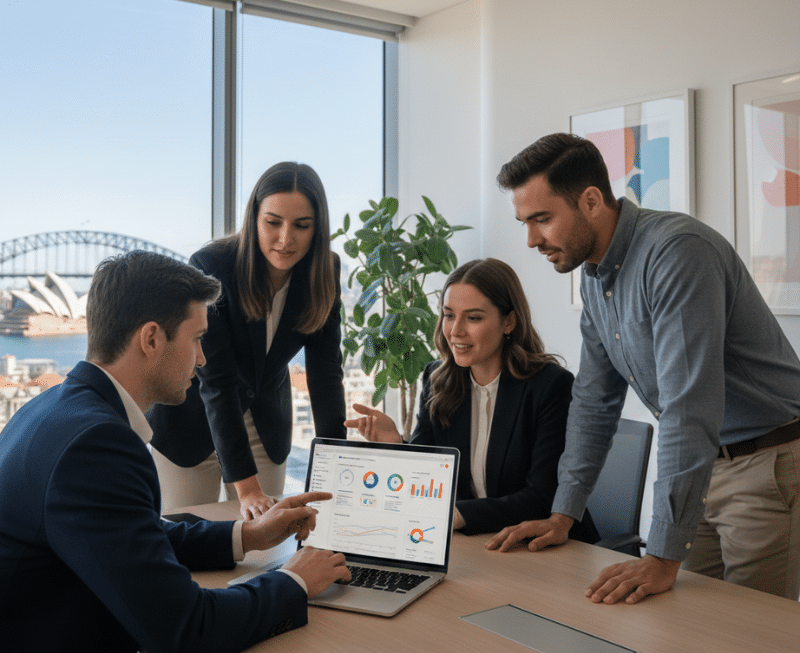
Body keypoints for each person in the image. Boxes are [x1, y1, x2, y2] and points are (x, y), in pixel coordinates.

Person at [487, 132, 800, 604]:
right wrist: (563, 514)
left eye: (542, 219)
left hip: (766, 467)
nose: (531, 240)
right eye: (524, 222)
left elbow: (687, 406)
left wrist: (660, 555)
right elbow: (594, 402)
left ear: (590, 200)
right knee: (687, 624)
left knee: (747, 635)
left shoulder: (677, 252)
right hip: (702, 469)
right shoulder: (594, 277)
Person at [0, 251, 350, 653]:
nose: (202, 359)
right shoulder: (96, 447)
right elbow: (188, 629)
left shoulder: (53, 408)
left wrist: (248, 535)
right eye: (197, 338)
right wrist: (295, 580)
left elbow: (130, 534)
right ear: (151, 339)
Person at [346, 258, 599, 541]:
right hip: (479, 544)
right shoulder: (438, 379)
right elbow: (427, 474)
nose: (455, 331)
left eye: (474, 317)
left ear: (509, 322)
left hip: (547, 548)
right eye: (449, 315)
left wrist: (454, 515)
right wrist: (395, 444)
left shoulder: (550, 386)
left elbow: (542, 497)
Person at [147, 162, 346, 521]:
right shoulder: (212, 265)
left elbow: (326, 375)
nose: (286, 239)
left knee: (264, 542)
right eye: (273, 223)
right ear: (254, 217)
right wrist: (247, 488)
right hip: (192, 421)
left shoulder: (324, 271)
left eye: (302, 226)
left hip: (265, 419)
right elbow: (217, 382)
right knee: (189, 536)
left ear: (318, 229)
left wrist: (339, 467)